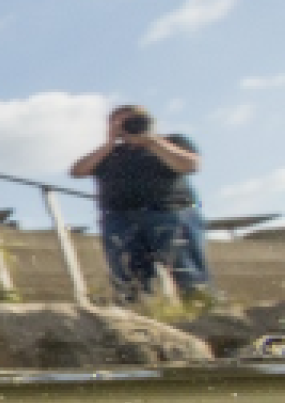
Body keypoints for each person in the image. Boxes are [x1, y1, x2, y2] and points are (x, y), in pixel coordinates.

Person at [69, 104, 213, 303]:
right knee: (129, 280)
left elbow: (190, 165)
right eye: (118, 124)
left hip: (170, 213)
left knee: (189, 274)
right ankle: (139, 315)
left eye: (131, 121)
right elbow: (77, 171)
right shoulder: (108, 153)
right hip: (120, 218)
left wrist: (151, 141)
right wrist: (109, 143)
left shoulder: (171, 141)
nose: (126, 127)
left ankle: (203, 314)